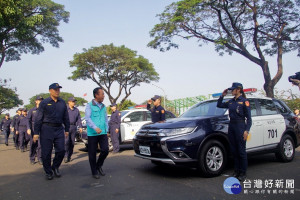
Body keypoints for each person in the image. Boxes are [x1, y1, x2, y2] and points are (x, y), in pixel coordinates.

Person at [33, 83, 70, 180]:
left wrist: (67, 129)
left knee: (61, 150)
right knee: (46, 152)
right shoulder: (44, 103)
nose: (57, 91)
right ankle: (48, 172)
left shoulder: (62, 102)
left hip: (59, 129)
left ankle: (55, 167)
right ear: (50, 91)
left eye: (58, 89)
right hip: (46, 129)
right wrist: (36, 133)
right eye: (55, 89)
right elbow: (38, 118)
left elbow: (66, 117)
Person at [217, 82, 252, 182]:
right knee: (234, 151)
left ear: (238, 90)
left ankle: (243, 172)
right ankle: (236, 171)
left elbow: (249, 118)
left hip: (240, 126)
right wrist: (222, 95)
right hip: (231, 126)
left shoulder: (244, 101)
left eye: (233, 89)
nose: (231, 91)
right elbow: (219, 105)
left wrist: (246, 130)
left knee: (241, 151)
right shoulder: (231, 102)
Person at [85, 87, 109, 179]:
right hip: (93, 134)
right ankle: (94, 171)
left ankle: (98, 165)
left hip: (103, 133)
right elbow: (87, 118)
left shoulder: (103, 106)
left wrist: (106, 129)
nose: (103, 96)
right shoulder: (89, 105)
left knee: (105, 150)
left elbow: (106, 119)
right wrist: (95, 127)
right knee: (92, 153)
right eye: (102, 94)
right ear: (96, 95)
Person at [64, 97, 83, 163]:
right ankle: (65, 155)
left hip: (73, 127)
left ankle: (69, 155)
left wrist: (80, 127)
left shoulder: (76, 110)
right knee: (66, 142)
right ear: (69, 102)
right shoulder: (65, 109)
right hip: (66, 127)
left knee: (72, 143)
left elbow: (79, 119)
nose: (73, 103)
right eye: (72, 101)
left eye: (74, 101)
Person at [28, 96, 44, 165]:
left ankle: (40, 158)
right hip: (33, 129)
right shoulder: (32, 110)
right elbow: (28, 120)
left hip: (41, 128)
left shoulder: (44, 110)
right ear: (36, 101)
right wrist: (28, 128)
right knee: (33, 144)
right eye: (39, 100)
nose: (40, 101)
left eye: (41, 100)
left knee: (40, 145)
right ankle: (32, 158)